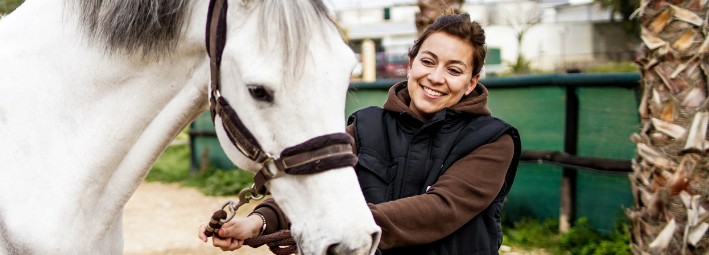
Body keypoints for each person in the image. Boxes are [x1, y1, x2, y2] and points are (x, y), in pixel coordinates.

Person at [199, 13, 521, 254]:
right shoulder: (366, 126)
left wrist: (343, 225)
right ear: (410, 65)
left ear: (472, 82)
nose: (436, 77)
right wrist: (259, 221)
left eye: (454, 70)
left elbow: (441, 209)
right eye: (428, 61)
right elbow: (322, 185)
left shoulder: (493, 140)